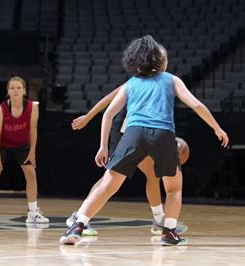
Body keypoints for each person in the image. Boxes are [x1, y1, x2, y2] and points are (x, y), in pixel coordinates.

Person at [60, 35, 228, 246]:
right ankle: (169, 232)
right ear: (160, 61)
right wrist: (216, 127)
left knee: (108, 184)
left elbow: (108, 114)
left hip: (134, 134)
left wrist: (103, 146)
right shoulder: (171, 79)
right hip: (162, 134)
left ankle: (78, 226)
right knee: (174, 188)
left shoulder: (131, 83)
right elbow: (196, 105)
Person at [67, 86, 189, 236]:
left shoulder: (161, 85)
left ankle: (159, 220)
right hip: (123, 132)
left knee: (152, 174)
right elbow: (109, 99)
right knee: (110, 178)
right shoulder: (136, 82)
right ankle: (78, 217)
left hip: (139, 133)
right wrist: (89, 116)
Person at [0, 76, 49, 224]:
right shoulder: (1, 109)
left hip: (22, 145)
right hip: (2, 145)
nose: (15, 90)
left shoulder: (32, 107)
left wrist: (32, 152)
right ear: (8, 91)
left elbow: (33, 131)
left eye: (19, 88)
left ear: (24, 91)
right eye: (12, 88)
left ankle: (33, 213)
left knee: (31, 174)